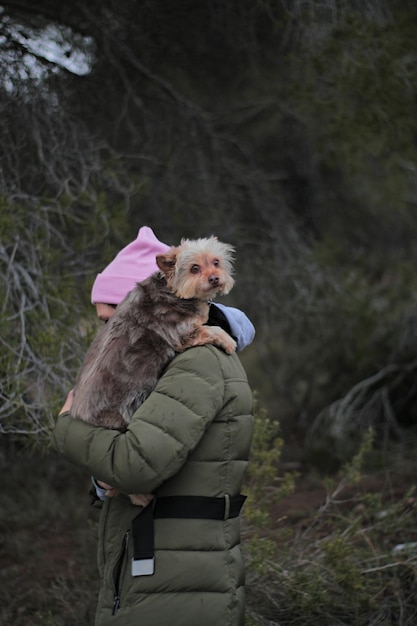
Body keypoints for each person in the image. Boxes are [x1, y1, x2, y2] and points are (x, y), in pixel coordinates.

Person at [51, 226, 254, 626]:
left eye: (114, 320)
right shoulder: (161, 363)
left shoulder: (196, 362)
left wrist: (66, 428)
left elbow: (135, 465)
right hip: (154, 572)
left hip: (180, 582)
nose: (107, 336)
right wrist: (102, 477)